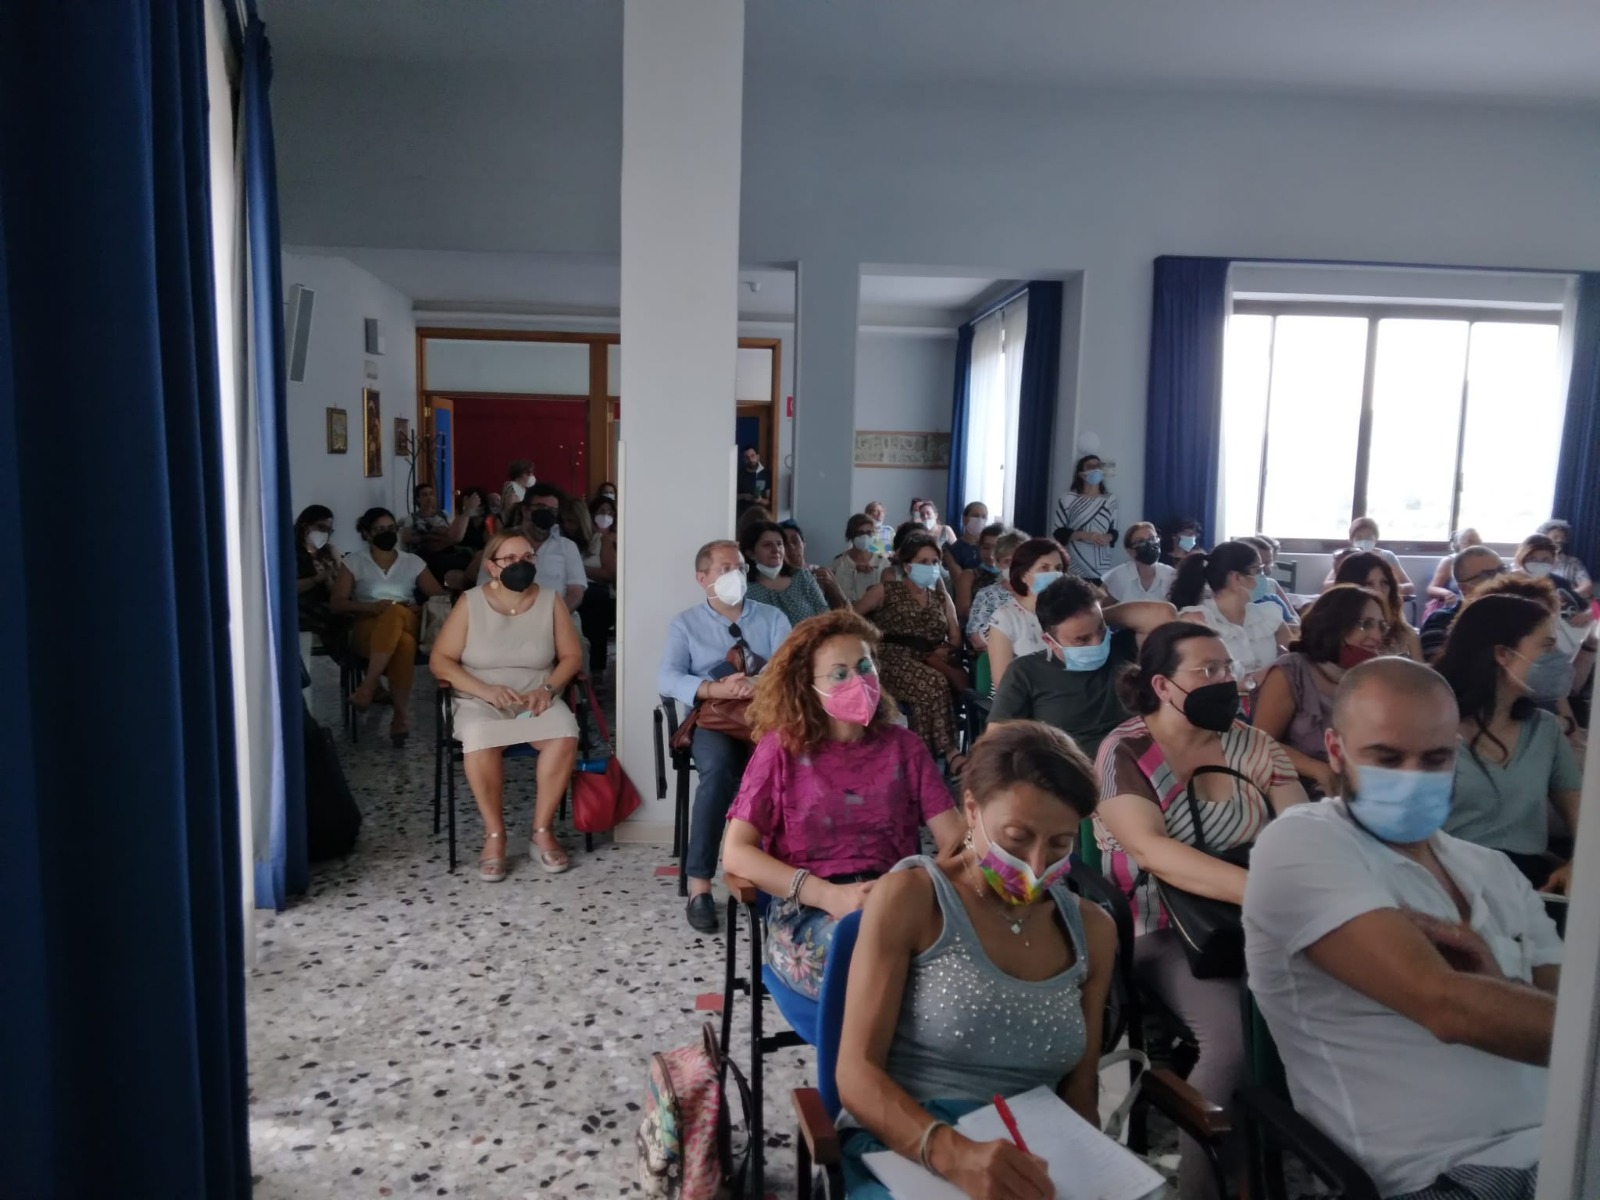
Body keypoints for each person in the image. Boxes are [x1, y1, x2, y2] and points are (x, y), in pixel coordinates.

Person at [1244, 657, 1560, 1200]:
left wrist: (1502, 987)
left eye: (1435, 759)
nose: (1413, 777)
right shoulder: (1302, 844)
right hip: (1444, 1173)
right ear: (1336, 750)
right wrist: (1503, 999)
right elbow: (1446, 1006)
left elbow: (1563, 1003)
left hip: (1564, 1140)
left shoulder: (1492, 869)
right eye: (1387, 758)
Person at [833, 721, 1117, 1200]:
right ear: (971, 809)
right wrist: (954, 1154)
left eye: (1059, 845)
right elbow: (856, 1075)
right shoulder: (913, 899)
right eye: (1016, 837)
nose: (1035, 864)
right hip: (911, 1144)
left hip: (1035, 1151)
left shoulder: (1092, 931)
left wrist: (1089, 1174)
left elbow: (1080, 1091)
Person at [1094, 623, 1306, 1199]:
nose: (1224, 680)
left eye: (1227, 668)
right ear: (1162, 686)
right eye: (1206, 671)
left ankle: (1288, 1151)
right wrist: (1265, 894)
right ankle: (1201, 1188)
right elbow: (1151, 852)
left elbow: (1301, 833)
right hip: (1161, 926)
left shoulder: (1252, 745)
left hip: (1256, 920)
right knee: (1231, 1039)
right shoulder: (1125, 751)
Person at [721, 610, 967, 998]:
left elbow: (955, 842)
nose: (858, 681)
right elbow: (736, 853)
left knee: (954, 965)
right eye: (839, 674)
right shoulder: (781, 750)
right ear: (807, 685)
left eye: (865, 667)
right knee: (868, 959)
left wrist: (917, 885)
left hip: (894, 902)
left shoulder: (904, 747)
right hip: (808, 909)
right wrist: (830, 896)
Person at [428, 530, 582, 880]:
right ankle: (494, 835)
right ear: (492, 567)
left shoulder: (550, 600)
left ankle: (541, 831)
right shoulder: (470, 602)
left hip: (535, 697)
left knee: (563, 732)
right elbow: (440, 661)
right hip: (480, 698)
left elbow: (572, 657)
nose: (520, 565)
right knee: (480, 735)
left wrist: (547, 689)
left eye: (527, 558)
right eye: (510, 559)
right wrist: (484, 690)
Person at [658, 540, 793, 932]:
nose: (736, 574)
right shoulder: (685, 624)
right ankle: (700, 884)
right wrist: (715, 689)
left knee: (787, 769)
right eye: (725, 568)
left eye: (740, 567)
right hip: (715, 719)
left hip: (764, 716)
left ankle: (777, 876)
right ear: (702, 578)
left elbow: (791, 668)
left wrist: (756, 684)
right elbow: (667, 677)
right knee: (717, 772)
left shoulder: (772, 617)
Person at [1434, 594, 1582, 892]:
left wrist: (1575, 865)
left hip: (1526, 888)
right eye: (1547, 645)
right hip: (1448, 882)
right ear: (1503, 654)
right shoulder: (1431, 727)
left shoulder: (1544, 730)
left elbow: (1585, 823)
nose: (1557, 656)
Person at [990, 575, 1175, 761]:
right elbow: (995, 745)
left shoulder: (1123, 648)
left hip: (1139, 761)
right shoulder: (1025, 672)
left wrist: (1094, 617)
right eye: (1082, 639)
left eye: (1101, 629)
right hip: (1071, 770)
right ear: (1049, 641)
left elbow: (1165, 615)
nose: (1097, 642)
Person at [1253, 584, 1389, 797]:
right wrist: (1316, 769)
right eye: (1365, 624)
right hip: (1298, 787)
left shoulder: (1372, 676)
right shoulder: (1293, 671)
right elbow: (1260, 743)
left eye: (1382, 626)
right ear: (1334, 625)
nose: (1377, 636)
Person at [331, 507, 448, 745]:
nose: (387, 533)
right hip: (368, 625)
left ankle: (369, 685)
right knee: (404, 644)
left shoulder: (412, 562)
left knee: (396, 612)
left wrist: (420, 606)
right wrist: (370, 607)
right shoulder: (353, 562)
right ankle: (401, 718)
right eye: (379, 530)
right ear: (366, 533)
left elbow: (439, 597)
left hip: (407, 617)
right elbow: (337, 604)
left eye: (391, 528)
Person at [867, 532, 967, 773]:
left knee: (925, 693)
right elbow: (852, 616)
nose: (931, 567)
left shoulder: (941, 598)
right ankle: (950, 752)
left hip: (932, 658)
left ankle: (921, 758)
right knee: (933, 682)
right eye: (923, 562)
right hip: (893, 657)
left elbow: (955, 635)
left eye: (935, 562)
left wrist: (947, 649)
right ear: (907, 565)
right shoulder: (885, 591)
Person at [1172, 540, 1293, 694]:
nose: (1264, 577)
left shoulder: (1270, 614)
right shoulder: (1197, 620)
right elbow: (1190, 681)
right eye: (1258, 570)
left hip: (1271, 700)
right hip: (1220, 703)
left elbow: (1292, 663)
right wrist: (1249, 683)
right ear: (1236, 577)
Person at [469, 484, 588, 612]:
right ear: (525, 511)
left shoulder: (567, 547)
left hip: (556, 617)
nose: (546, 513)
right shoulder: (500, 543)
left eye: (552, 510)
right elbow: (485, 588)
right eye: (541, 507)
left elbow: (576, 594)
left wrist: (553, 618)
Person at [985, 537, 1065, 693]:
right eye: (1044, 568)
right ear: (1023, 575)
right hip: (1021, 700)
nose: (1054, 574)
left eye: (1059, 568)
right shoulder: (1005, 618)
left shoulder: (1067, 612)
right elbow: (1004, 684)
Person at [1420, 546, 1505, 661]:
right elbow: (1440, 669)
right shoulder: (1440, 622)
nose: (1501, 578)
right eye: (1488, 575)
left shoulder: (1520, 615)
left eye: (1502, 569)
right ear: (1464, 588)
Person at [1333, 551, 1421, 660]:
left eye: (1384, 583)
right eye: (1368, 584)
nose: (1379, 591)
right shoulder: (1334, 634)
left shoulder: (1407, 635)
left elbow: (1420, 669)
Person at [740, 520, 830, 626]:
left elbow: (826, 616)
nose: (776, 550)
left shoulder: (802, 577)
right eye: (767, 545)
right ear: (751, 553)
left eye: (779, 544)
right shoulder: (744, 589)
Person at [1053, 453, 1117, 582]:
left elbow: (1114, 531)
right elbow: (1059, 532)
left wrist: (1108, 538)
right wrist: (1086, 535)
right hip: (1075, 563)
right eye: (1091, 467)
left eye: (1099, 466)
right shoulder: (1068, 499)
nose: (1096, 469)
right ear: (1081, 474)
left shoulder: (1110, 499)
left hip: (1101, 566)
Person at [965, 529, 1027, 651]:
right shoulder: (987, 594)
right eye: (1007, 561)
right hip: (998, 655)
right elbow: (976, 638)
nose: (1013, 567)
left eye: (1019, 562)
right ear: (997, 563)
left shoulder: (1039, 593)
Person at [1323, 517, 1414, 597]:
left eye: (1369, 537)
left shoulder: (1386, 556)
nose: (1364, 541)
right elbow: (1327, 585)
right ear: (1351, 540)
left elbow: (1409, 586)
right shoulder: (1347, 557)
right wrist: (1355, 585)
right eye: (1359, 538)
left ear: (1376, 538)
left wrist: (1389, 588)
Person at [576, 495, 615, 676]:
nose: (606, 516)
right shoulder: (579, 539)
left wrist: (578, 568)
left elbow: (609, 573)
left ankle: (596, 673)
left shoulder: (605, 540)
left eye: (610, 512)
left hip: (598, 593)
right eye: (601, 512)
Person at [294, 504, 342, 642]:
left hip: (328, 602)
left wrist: (334, 576)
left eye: (329, 530)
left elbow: (340, 584)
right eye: (321, 528)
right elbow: (288, 588)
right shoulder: (291, 552)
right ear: (306, 526)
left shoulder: (329, 552)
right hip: (303, 605)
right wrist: (318, 578)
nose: (325, 534)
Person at [777, 519, 849, 611]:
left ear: (803, 543)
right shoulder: (776, 578)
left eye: (795, 541)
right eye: (785, 543)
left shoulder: (821, 573)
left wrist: (833, 585)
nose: (791, 547)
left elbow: (846, 611)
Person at [827, 513, 892, 609]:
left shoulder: (883, 563)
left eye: (868, 533)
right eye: (860, 533)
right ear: (851, 535)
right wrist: (851, 572)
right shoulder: (838, 562)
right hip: (844, 612)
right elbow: (831, 594)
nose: (865, 537)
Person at [1102, 522, 1176, 604]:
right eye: (1141, 541)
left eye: (1152, 538)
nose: (1149, 544)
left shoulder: (1171, 575)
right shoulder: (1118, 576)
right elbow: (1103, 609)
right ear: (1130, 551)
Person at [1239, 535, 1298, 629]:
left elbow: (1295, 620)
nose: (1266, 570)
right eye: (1259, 565)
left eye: (1269, 563)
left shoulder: (1271, 591)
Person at [1538, 518, 1592, 601]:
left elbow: (1587, 587)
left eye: (1562, 537)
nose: (1560, 540)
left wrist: (1566, 596)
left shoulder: (1573, 563)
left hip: (1566, 604)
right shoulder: (1535, 562)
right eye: (1555, 537)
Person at [1426, 528, 1482, 606]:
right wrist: (1447, 594)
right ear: (1459, 544)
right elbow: (1432, 589)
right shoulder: (1449, 561)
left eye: (1478, 542)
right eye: (1469, 541)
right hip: (1456, 604)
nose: (1474, 545)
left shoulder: (1486, 561)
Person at [946, 501, 989, 573]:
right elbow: (957, 577)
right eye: (975, 516)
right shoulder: (954, 550)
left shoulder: (989, 546)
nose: (980, 520)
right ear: (964, 518)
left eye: (983, 517)